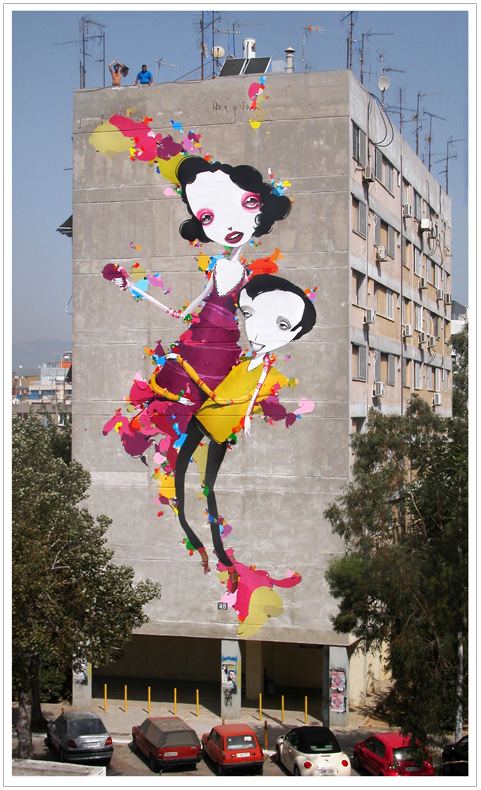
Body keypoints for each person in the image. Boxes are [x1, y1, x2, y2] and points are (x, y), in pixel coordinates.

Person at [103, 157, 292, 474]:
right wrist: (134, 288)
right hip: (203, 345)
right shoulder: (223, 268)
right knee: (185, 401)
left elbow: (208, 313)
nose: (228, 226)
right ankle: (163, 447)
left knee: (192, 402)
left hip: (216, 348)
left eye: (245, 203)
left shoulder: (245, 273)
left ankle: (169, 447)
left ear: (261, 208)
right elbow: (184, 312)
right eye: (208, 216)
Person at [170, 274, 316, 587]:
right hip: (201, 420)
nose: (258, 330)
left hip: (220, 432)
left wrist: (245, 414)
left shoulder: (271, 377)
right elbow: (218, 387)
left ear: (296, 333)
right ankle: (194, 539)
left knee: (207, 489)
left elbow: (235, 399)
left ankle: (220, 556)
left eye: (281, 325)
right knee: (179, 478)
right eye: (250, 314)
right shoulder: (239, 361)